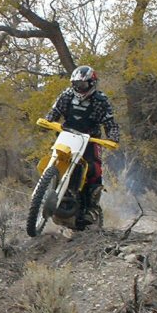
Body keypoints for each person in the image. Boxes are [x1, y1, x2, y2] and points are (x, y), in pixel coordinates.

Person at [44, 64, 121, 229]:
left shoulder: (101, 100)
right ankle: (46, 190)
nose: (79, 88)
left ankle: (91, 208)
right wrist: (47, 121)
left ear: (91, 83)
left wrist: (113, 138)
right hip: (66, 135)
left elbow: (110, 122)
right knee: (56, 158)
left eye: (83, 85)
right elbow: (54, 111)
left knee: (94, 169)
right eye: (76, 84)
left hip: (90, 139)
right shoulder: (66, 95)